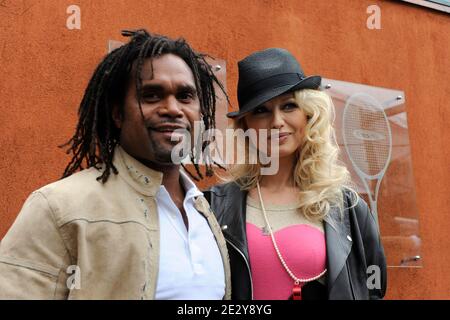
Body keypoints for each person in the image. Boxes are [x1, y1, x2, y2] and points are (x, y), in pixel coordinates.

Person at [0, 29, 231, 299]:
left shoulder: (205, 210)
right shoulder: (59, 207)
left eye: (185, 96)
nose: (173, 108)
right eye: (152, 96)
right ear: (118, 114)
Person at [205, 48, 387, 300]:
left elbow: (372, 289)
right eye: (261, 110)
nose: (277, 121)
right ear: (246, 125)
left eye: (289, 105)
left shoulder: (348, 207)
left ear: (309, 114)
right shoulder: (215, 205)